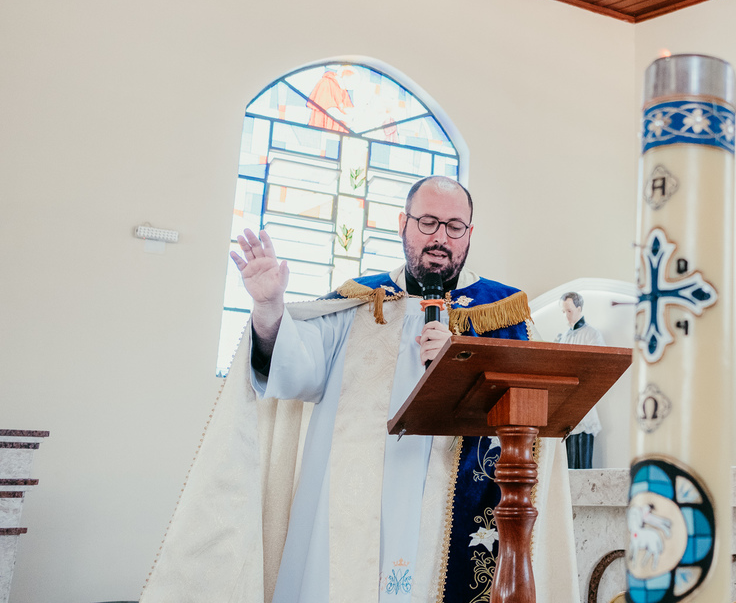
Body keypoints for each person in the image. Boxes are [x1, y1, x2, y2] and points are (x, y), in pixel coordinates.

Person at [141, 176, 579, 603]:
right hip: (350, 518)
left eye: (454, 227)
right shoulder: (359, 303)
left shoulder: (503, 315)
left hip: (451, 524)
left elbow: (531, 409)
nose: (440, 237)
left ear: (469, 234)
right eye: (427, 222)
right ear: (402, 223)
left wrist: (464, 358)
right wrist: (269, 308)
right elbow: (295, 368)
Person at [553, 292, 607, 469]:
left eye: (568, 311)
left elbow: (598, 367)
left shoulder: (592, 335)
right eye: (563, 312)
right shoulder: (563, 337)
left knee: (582, 468)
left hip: (584, 405)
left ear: (579, 308)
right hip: (565, 403)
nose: (565, 316)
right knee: (566, 469)